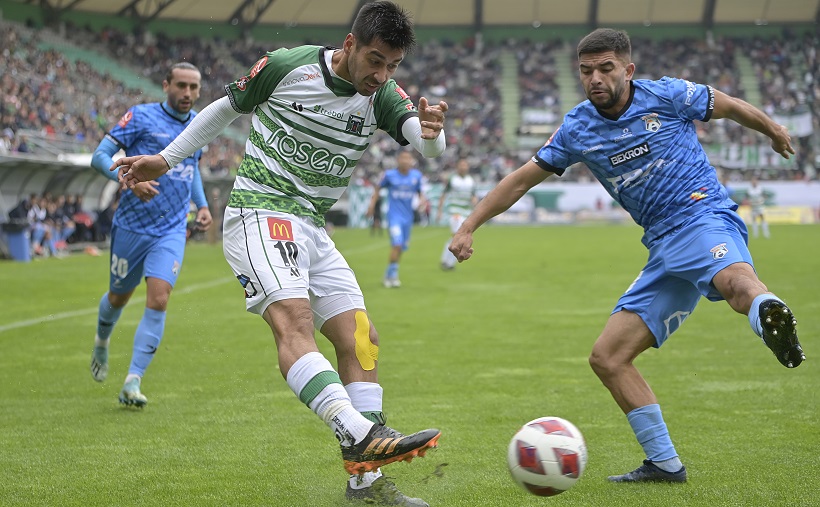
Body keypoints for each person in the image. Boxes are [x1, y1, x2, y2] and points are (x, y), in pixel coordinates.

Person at [112, 3, 446, 505]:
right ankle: (362, 433)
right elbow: (224, 109)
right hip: (259, 209)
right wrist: (163, 159)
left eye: (393, 66)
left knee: (361, 339)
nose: (382, 75)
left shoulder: (381, 98)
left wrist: (433, 131)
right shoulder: (289, 66)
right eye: (375, 61)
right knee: (294, 321)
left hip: (313, 223)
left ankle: (366, 485)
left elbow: (424, 144)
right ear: (350, 45)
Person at [450, 28, 805, 484]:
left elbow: (730, 105)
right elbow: (521, 179)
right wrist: (469, 224)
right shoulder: (578, 127)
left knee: (735, 280)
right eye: (586, 71)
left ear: (628, 69)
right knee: (608, 357)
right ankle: (664, 464)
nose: (594, 78)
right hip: (661, 245)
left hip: (701, 216)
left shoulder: (669, 94)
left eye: (605, 68)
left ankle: (768, 313)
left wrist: (774, 129)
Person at [88, 62, 212, 408]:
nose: (187, 93)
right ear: (166, 85)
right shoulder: (140, 117)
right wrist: (128, 180)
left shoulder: (200, 123)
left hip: (171, 229)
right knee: (118, 297)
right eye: (181, 86)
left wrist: (201, 205)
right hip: (131, 227)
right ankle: (102, 339)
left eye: (194, 87)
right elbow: (100, 156)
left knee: (159, 298)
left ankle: (133, 380)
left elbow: (193, 168)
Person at [367, 150, 426, 287]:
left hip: (408, 218)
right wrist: (371, 205)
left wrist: (423, 200)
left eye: (408, 158)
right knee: (397, 244)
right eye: (403, 158)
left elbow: (420, 192)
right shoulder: (390, 175)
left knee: (401, 247)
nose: (405, 161)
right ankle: (391, 276)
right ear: (398, 160)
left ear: (412, 161)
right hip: (394, 217)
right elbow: (377, 189)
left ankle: (389, 275)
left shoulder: (416, 176)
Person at [436, 157, 477, 271]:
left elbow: (473, 197)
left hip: (466, 213)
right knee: (457, 237)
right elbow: (443, 195)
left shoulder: (471, 181)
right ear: (457, 167)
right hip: (455, 212)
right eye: (461, 165)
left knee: (456, 238)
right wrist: (439, 211)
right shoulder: (452, 179)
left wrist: (476, 209)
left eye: (465, 165)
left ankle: (446, 261)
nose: (463, 167)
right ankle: (449, 263)